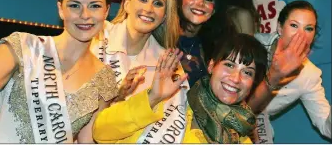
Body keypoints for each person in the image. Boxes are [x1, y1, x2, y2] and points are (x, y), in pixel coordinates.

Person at [0, 0, 119, 143]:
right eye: (75, 5)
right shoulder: (22, 47)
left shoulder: (105, 78)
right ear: (61, 9)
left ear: (106, 11)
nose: (85, 15)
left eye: (95, 6)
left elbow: (86, 140)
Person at [92, 33, 269, 143]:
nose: (235, 79)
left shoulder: (241, 140)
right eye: (229, 65)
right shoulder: (170, 101)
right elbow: (100, 132)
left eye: (247, 72)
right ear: (211, 66)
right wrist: (152, 98)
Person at [90, 0, 190, 142]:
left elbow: (175, 128)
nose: (149, 8)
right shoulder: (96, 38)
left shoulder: (169, 64)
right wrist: (117, 95)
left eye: (158, 3)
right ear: (127, 3)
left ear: (164, 16)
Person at [250, 0, 331, 143]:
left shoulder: (309, 75)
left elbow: (326, 126)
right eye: (294, 25)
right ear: (280, 27)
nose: (301, 36)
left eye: (309, 28)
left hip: (257, 122)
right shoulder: (254, 44)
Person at [175, 0, 226, 87]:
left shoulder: (214, 47)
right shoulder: (161, 37)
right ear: (180, 0)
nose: (200, 3)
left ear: (214, 10)